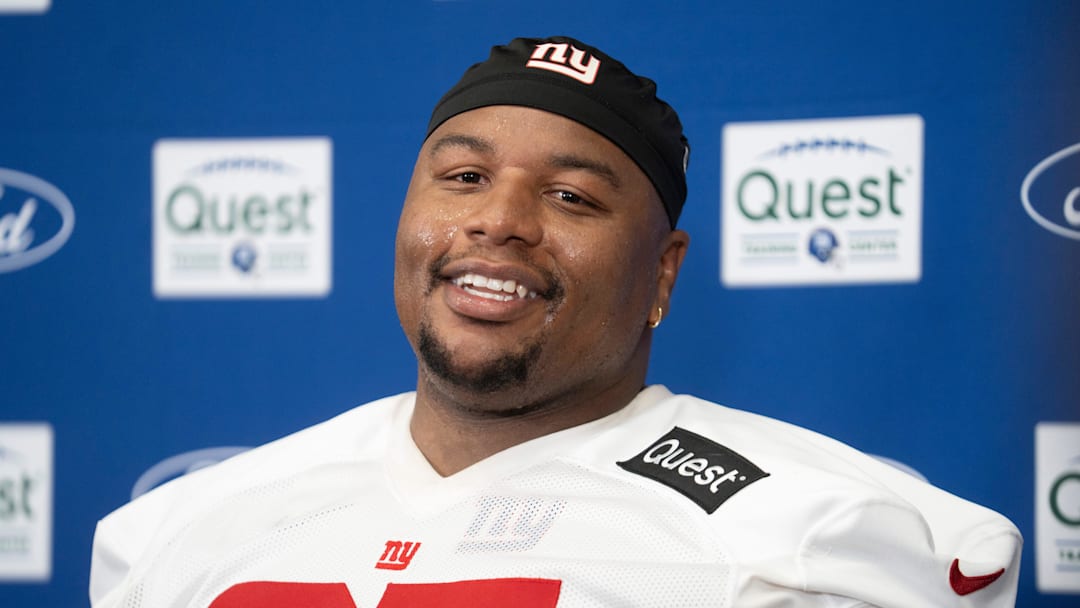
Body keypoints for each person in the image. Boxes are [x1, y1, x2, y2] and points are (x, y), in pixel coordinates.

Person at [89, 36, 1021, 607]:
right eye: (463, 178)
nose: (498, 221)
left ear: (662, 273)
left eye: (571, 196)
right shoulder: (182, 528)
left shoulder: (812, 530)